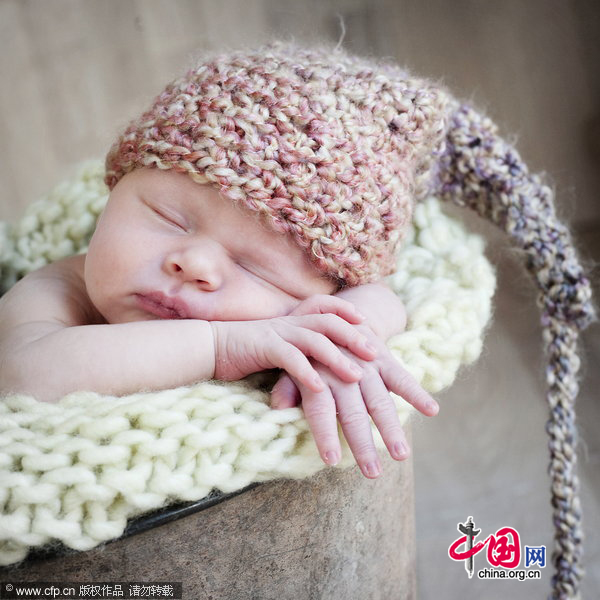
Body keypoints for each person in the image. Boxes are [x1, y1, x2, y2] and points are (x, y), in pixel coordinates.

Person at [0, 42, 441, 482]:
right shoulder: (62, 288)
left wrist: (341, 347)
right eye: (168, 218)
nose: (195, 265)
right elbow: (23, 371)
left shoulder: (312, 306)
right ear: (114, 191)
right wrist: (221, 347)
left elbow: (380, 297)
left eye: (257, 267)